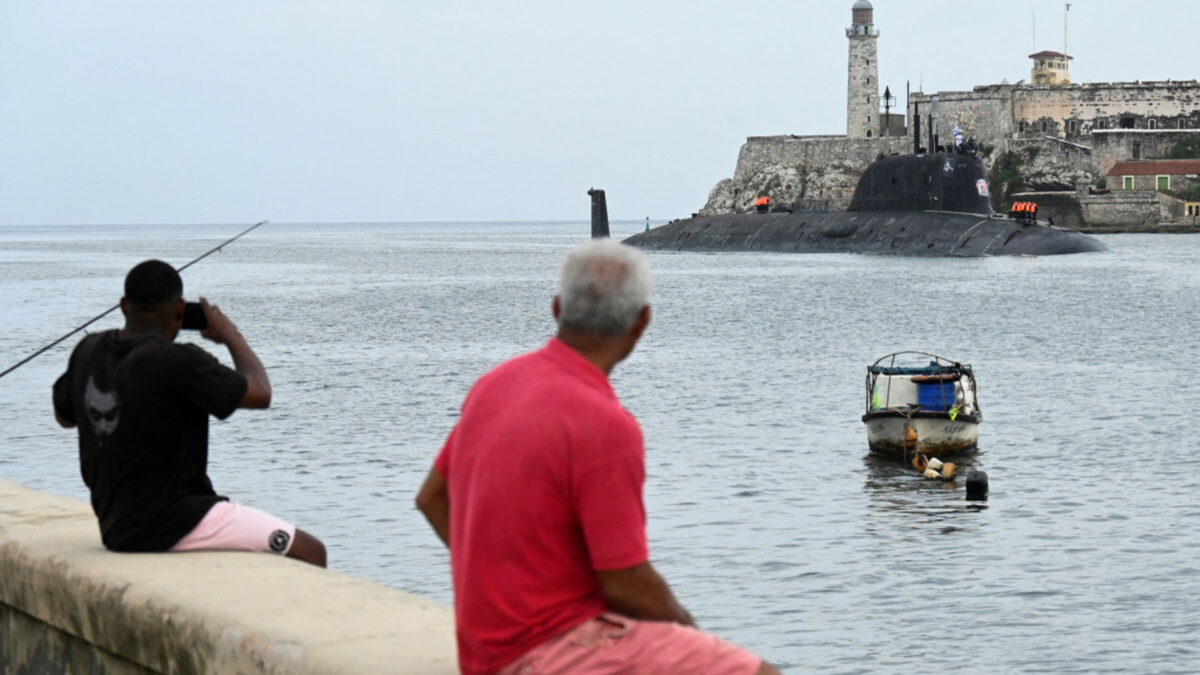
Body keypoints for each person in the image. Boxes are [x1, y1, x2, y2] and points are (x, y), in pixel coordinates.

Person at [416, 240, 780, 675]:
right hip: (551, 652)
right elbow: (625, 582)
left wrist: (501, 589)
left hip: (484, 651)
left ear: (556, 309)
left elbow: (432, 499)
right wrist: (690, 632)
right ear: (642, 322)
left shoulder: (494, 384)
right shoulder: (606, 423)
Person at [52, 260, 325, 567]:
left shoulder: (87, 350)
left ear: (124, 306)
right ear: (180, 310)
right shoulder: (179, 361)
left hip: (115, 524)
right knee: (312, 551)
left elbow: (65, 417)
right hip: (175, 520)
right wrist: (230, 334)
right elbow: (261, 393)